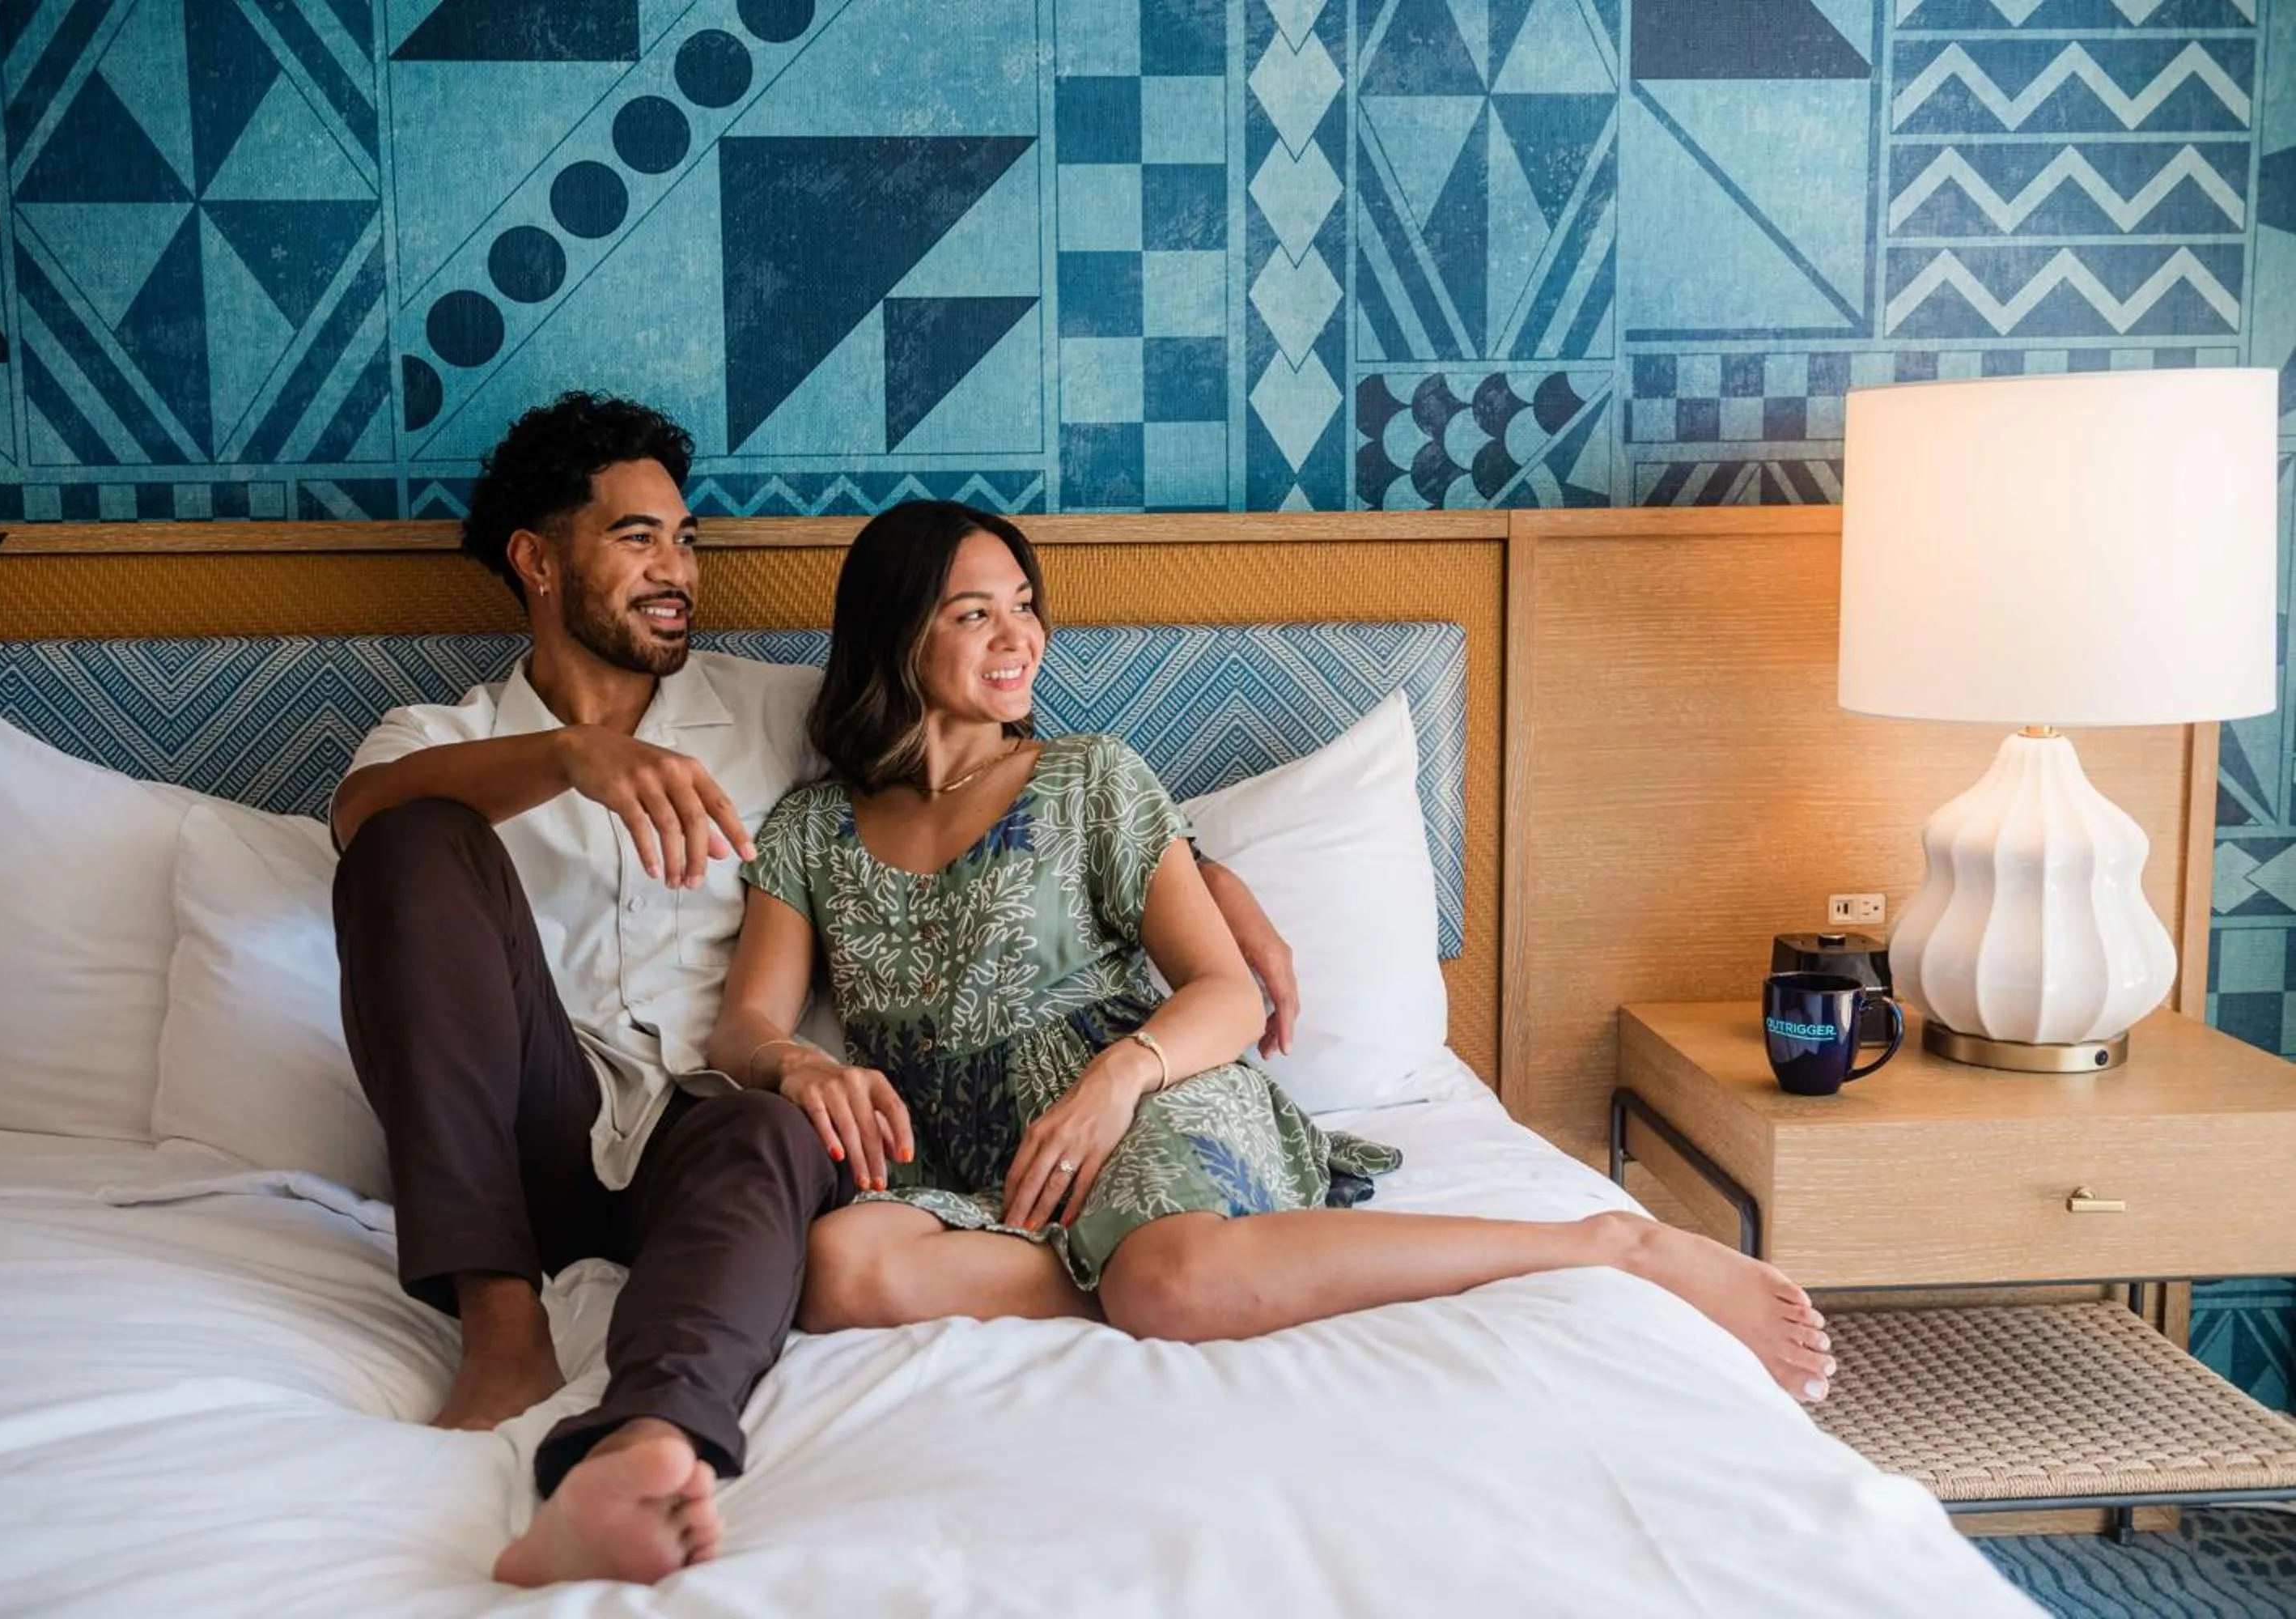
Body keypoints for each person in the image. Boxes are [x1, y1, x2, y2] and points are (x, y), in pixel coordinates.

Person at [328, 395, 1304, 1587]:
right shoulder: (444, 737)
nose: (676, 570)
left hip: (715, 1125)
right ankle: (503, 1327)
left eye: (686, 540)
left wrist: (1214, 875)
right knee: (411, 843)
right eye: (638, 539)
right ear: (537, 560)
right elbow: (360, 819)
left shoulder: (772, 710)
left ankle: (641, 1447)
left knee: (769, 1123)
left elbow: (985, 749)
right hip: (527, 1128)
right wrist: (571, 758)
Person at [708, 502, 1840, 1402]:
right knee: (842, 1268)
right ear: (895, 632)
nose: (1020, 639)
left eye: (1024, 605)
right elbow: (746, 1027)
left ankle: (1609, 1246)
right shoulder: (813, 832)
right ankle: (1138, 1269)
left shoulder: (1088, 777)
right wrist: (801, 1066)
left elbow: (1229, 991)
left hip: (1151, 1095)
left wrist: (1119, 1080)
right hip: (969, 1158)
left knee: (1175, 1278)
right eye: (973, 615)